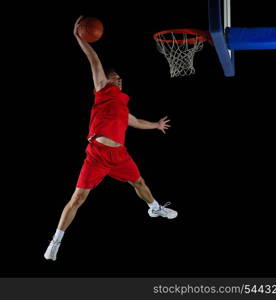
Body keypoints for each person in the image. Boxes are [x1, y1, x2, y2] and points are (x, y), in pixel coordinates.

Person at [44, 16, 177, 261]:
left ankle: (155, 208)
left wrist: (156, 125)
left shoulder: (122, 105)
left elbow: (135, 122)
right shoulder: (103, 88)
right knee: (77, 198)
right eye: (116, 76)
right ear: (107, 78)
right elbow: (94, 60)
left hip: (119, 155)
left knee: (139, 183)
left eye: (120, 78)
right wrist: (78, 38)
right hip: (96, 154)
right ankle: (56, 241)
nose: (120, 79)